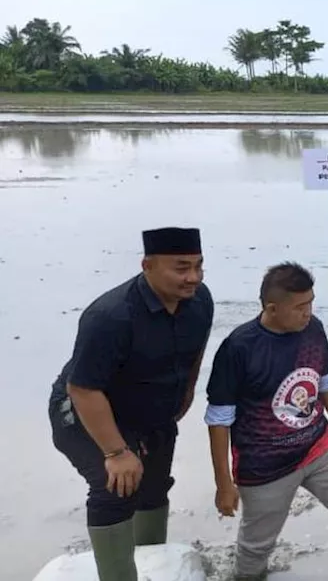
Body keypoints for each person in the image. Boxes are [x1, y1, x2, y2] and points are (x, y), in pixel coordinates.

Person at [204, 262, 328, 581]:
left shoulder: (313, 329)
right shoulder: (239, 348)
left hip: (318, 447)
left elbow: (326, 382)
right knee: (255, 547)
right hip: (264, 465)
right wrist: (223, 483)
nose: (308, 313)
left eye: (311, 303)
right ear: (272, 308)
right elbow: (219, 419)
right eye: (299, 307)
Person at [48, 227, 213, 581]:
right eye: (181, 268)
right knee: (117, 488)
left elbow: (194, 352)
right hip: (85, 409)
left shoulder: (200, 302)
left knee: (154, 485)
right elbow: (83, 389)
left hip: (151, 406)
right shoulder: (110, 316)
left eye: (199, 266)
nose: (193, 277)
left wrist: (185, 395)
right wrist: (115, 452)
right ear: (147, 265)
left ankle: (157, 564)